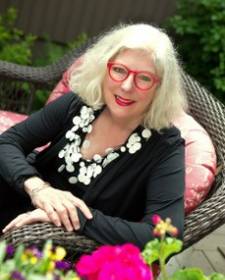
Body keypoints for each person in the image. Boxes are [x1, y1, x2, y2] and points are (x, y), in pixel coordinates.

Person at [0, 23, 187, 249]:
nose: (127, 86)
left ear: (160, 88)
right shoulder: (80, 104)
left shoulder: (165, 147)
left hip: (56, 246)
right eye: (119, 70)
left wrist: (73, 215)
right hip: (16, 201)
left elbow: (165, 237)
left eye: (144, 78)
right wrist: (38, 188)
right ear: (104, 69)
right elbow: (8, 141)